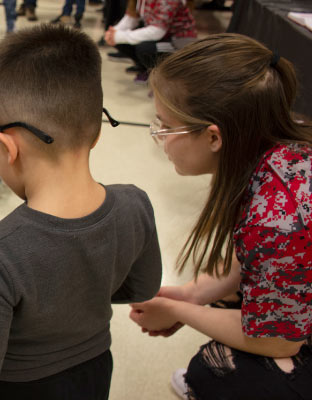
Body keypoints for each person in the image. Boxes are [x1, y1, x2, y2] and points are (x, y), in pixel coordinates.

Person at [0, 25, 163, 399]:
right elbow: (142, 286)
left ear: (5, 147)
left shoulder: (0, 252)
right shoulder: (135, 204)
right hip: (94, 372)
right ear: (95, 132)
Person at [129, 33, 312, 400]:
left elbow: (280, 342)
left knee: (216, 373)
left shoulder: (275, 217)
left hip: (287, 335)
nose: (160, 137)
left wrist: (178, 309)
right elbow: (262, 265)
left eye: (165, 126)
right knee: (221, 300)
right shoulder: (277, 153)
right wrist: (191, 294)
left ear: (214, 137)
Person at [104, 0, 196, 83]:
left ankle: (160, 76)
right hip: (161, 36)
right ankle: (144, 68)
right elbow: (131, 17)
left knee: (144, 48)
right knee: (120, 40)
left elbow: (157, 31)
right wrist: (113, 33)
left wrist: (120, 36)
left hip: (178, 41)